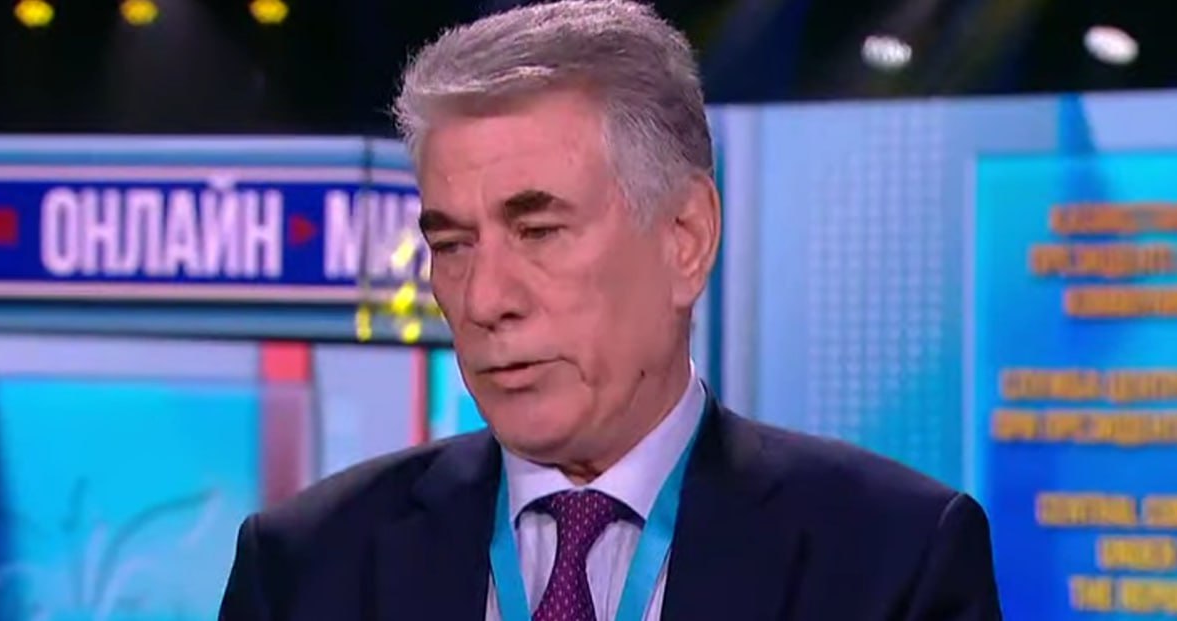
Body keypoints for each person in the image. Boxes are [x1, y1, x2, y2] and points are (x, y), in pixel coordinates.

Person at [217, 1, 1003, 619]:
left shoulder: (893, 564)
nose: (485, 299)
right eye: (453, 244)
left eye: (539, 231)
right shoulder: (301, 568)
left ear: (686, 239)